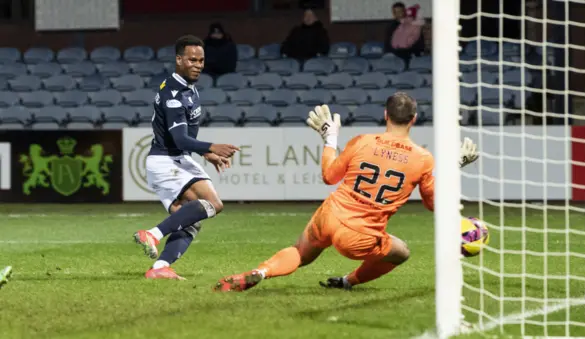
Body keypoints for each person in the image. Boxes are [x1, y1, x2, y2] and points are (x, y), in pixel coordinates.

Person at [213, 92, 479, 292]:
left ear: (385, 115)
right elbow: (435, 204)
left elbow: (329, 176)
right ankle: (348, 281)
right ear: (414, 119)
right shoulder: (423, 159)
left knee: (300, 252)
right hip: (359, 236)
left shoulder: (362, 142)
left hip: (331, 213)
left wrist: (330, 140)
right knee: (402, 251)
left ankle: (260, 272)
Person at [133, 35, 240, 280]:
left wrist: (206, 153)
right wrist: (212, 146)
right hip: (166, 161)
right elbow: (180, 139)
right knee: (213, 204)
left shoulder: (187, 90)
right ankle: (153, 234)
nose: (198, 64)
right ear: (179, 59)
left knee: (190, 220)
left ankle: (160, 268)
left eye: (201, 60)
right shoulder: (173, 94)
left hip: (175, 159)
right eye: (192, 59)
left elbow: (182, 142)